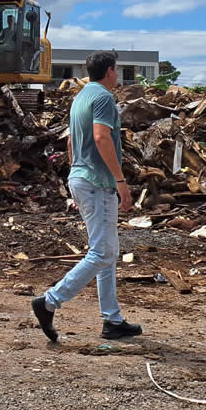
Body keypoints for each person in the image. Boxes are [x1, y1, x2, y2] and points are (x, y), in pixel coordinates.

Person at [32, 51, 142, 341]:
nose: (117, 76)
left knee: (107, 252)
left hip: (80, 179)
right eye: (117, 71)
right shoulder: (104, 98)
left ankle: (112, 320)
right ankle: (49, 301)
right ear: (108, 71)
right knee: (103, 252)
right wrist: (120, 180)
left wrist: (76, 170)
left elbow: (71, 141)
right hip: (97, 183)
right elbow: (101, 137)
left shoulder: (80, 97)